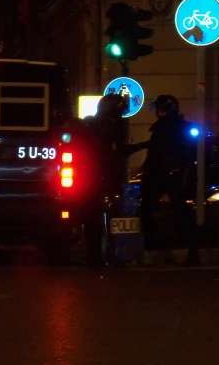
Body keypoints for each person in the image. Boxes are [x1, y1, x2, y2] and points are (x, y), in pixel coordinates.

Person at [133, 94, 200, 266]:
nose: (157, 112)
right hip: (164, 175)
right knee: (160, 210)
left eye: (159, 109)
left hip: (167, 175)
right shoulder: (168, 127)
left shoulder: (170, 128)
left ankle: (155, 247)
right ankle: (157, 247)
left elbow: (169, 153)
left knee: (160, 210)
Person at [83, 93, 131, 266]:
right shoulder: (107, 126)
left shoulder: (93, 124)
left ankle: (98, 256)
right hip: (102, 177)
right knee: (104, 217)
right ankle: (107, 256)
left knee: (96, 217)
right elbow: (115, 152)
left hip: (97, 178)